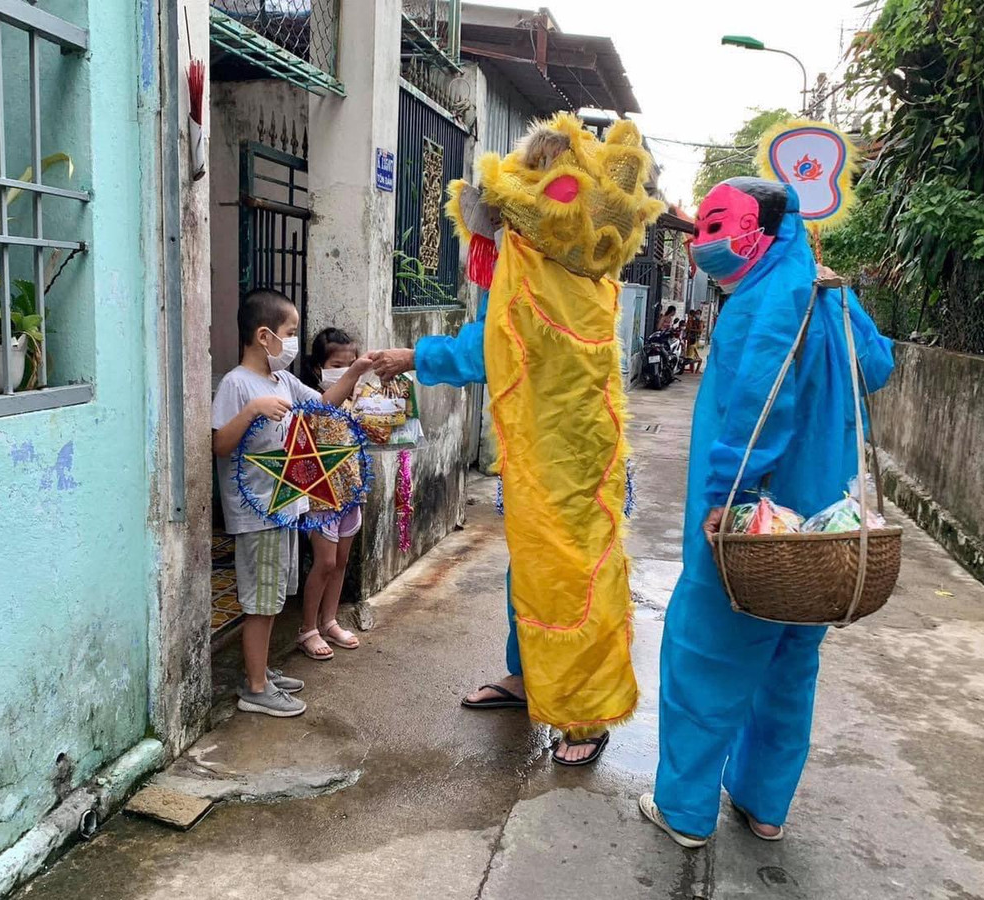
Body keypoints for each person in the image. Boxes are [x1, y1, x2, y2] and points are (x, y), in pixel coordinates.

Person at [373, 114, 664, 765]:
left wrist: (411, 354)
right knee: (533, 573)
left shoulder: (565, 268)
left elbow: (492, 347)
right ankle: (527, 675)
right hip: (540, 454)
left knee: (575, 579)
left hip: (578, 457)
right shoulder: (549, 260)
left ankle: (584, 715)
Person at [638, 177, 894, 846]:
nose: (703, 241)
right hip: (824, 532)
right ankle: (764, 804)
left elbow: (759, 408)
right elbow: (879, 367)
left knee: (706, 660)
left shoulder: (766, 299)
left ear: (762, 230)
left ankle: (686, 811)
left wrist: (727, 496)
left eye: (716, 225)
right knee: (790, 665)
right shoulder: (827, 292)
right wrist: (845, 297)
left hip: (755, 525)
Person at [212, 290, 371, 717]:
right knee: (259, 603)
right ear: (264, 336)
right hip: (255, 515)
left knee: (276, 595)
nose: (294, 341)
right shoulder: (236, 384)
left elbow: (322, 406)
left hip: (286, 510)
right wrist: (252, 412)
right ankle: (256, 688)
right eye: (291, 333)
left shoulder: (283, 381)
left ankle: (260, 671)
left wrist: (355, 371)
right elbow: (220, 444)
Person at [297, 327, 366, 661]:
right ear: (318, 367)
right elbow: (325, 411)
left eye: (352, 363)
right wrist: (353, 375)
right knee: (323, 562)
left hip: (350, 491)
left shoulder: (357, 399)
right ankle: (307, 628)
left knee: (340, 561)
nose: (348, 370)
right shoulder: (311, 400)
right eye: (340, 365)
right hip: (320, 496)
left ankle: (329, 620)